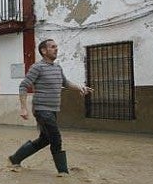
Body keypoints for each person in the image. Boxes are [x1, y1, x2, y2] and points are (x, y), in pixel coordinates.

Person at [7, 39, 93, 176]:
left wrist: (80, 88)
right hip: (42, 109)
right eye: (52, 47)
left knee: (45, 139)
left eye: (56, 47)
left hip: (53, 110)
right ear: (44, 51)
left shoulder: (57, 67)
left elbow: (65, 82)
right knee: (56, 137)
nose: (56, 49)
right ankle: (63, 172)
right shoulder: (37, 67)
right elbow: (24, 85)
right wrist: (23, 107)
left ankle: (15, 158)